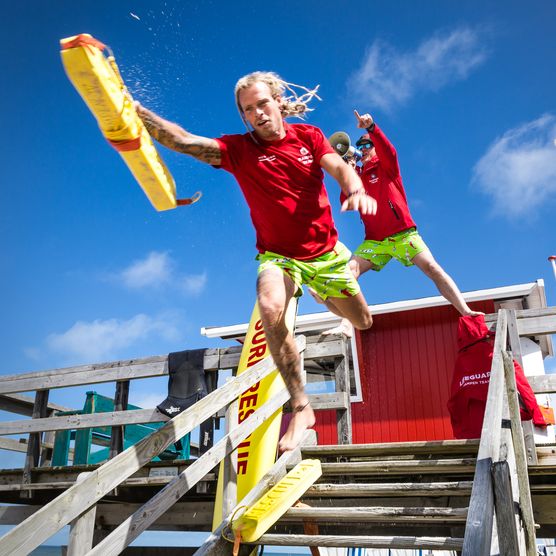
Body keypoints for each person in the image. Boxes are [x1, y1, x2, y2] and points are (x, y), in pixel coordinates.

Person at [134, 72, 377, 452]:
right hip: (277, 255)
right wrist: (135, 112)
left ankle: (322, 290)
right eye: (249, 110)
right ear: (244, 117)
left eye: (262, 103)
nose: (258, 113)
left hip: (325, 254)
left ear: (278, 101)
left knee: (362, 320)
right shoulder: (238, 150)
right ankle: (301, 407)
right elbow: (183, 142)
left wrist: (355, 186)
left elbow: (340, 167)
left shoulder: (308, 136)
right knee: (270, 305)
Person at [319, 110, 483, 336]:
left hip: (404, 234)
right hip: (375, 241)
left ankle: (465, 310)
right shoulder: (357, 176)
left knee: (432, 268)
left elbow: (390, 152)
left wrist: (371, 129)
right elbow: (347, 202)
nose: (363, 149)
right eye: (360, 146)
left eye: (367, 145)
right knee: (348, 273)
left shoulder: (386, 167)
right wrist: (347, 171)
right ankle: (347, 324)